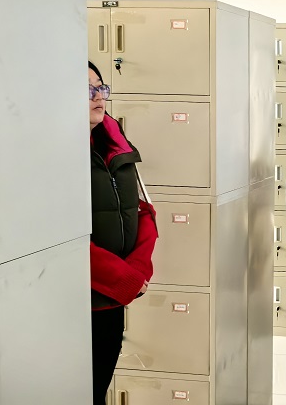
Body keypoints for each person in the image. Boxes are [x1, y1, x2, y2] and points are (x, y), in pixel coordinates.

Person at [87, 61, 158, 405]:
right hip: (76, 302)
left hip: (111, 302)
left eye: (100, 87)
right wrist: (122, 278)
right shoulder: (49, 151)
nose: (98, 96)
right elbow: (59, 241)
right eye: (86, 90)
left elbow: (142, 210)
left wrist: (137, 270)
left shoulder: (113, 140)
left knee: (97, 390)